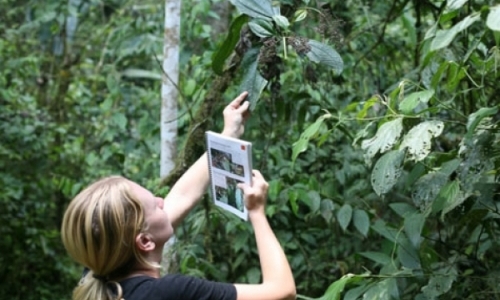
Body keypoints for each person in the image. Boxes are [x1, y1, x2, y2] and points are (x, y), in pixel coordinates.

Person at [61, 92, 296, 300]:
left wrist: (228, 135)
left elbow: (183, 195)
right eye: (156, 205)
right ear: (144, 242)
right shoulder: (169, 292)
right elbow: (282, 292)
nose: (163, 201)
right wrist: (256, 212)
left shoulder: (98, 276)